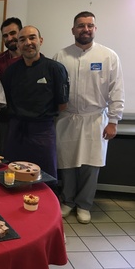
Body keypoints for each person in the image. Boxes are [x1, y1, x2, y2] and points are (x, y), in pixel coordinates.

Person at [53, 11, 125, 224]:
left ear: (95, 29)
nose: (86, 29)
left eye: (90, 25)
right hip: (67, 118)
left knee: (90, 165)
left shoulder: (108, 56)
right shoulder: (61, 56)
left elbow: (117, 90)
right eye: (81, 25)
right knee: (67, 162)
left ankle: (84, 204)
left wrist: (113, 120)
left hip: (94, 119)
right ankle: (67, 201)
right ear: (73, 29)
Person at [2, 25, 69, 181]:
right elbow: (6, 100)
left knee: (45, 176)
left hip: (43, 131)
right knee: (12, 174)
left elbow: (62, 104)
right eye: (22, 39)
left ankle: (47, 205)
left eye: (32, 37)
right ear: (18, 45)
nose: (28, 43)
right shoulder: (11, 71)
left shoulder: (55, 69)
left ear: (41, 40)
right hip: (16, 130)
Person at [0, 17, 23, 156]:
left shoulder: (35, 59)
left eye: (13, 33)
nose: (10, 38)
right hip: (6, 121)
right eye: (5, 36)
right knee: (5, 158)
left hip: (32, 121)